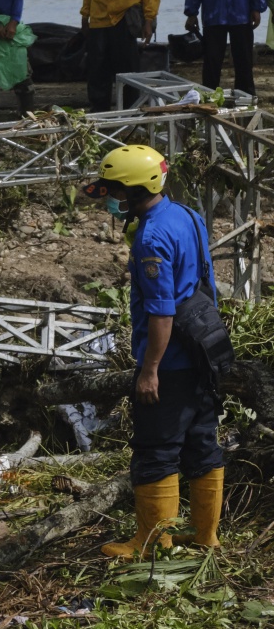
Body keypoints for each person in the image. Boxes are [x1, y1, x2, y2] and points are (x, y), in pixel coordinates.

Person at [85, 147, 226, 558]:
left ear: (133, 189)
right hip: (203, 350)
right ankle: (206, 536)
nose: (110, 198)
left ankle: (151, 543)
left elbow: (161, 311)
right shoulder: (185, 214)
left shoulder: (150, 237)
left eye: (114, 190)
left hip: (171, 362)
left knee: (156, 449)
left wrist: (150, 370)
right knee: (202, 442)